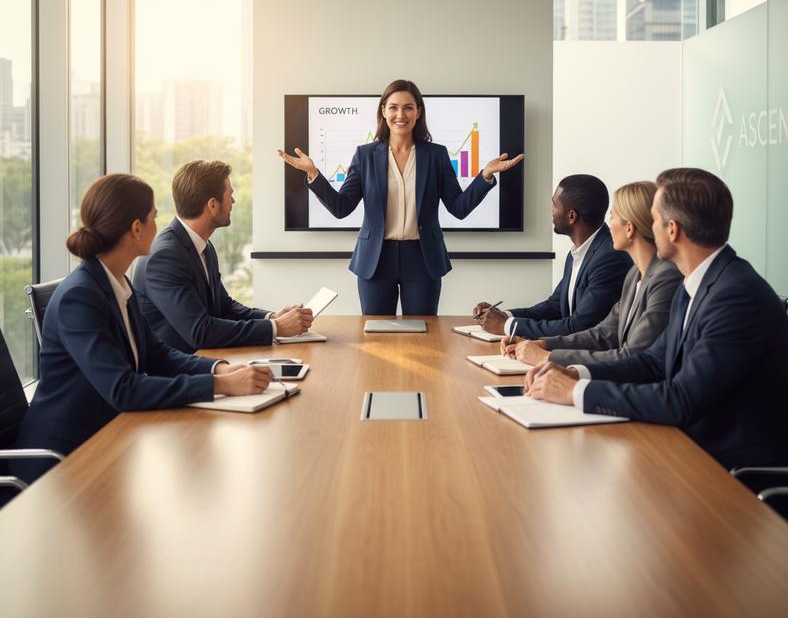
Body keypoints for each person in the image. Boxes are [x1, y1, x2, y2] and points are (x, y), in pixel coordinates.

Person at [524, 168, 788, 470]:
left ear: (672, 230)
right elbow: (653, 362)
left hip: (737, 471)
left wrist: (574, 392)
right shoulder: (696, 283)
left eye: (653, 220)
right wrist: (576, 374)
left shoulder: (735, 296)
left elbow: (681, 399)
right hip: (694, 449)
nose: (648, 229)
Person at [15, 174, 272, 483]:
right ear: (137, 228)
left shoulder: (117, 281)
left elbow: (157, 355)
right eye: (154, 216)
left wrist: (219, 369)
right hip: (64, 462)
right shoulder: (79, 297)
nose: (159, 226)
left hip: (110, 438)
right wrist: (220, 386)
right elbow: (123, 389)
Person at [278, 80, 523, 315]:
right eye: (393, 107)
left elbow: (459, 208)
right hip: (375, 259)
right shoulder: (365, 155)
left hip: (422, 259)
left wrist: (485, 175)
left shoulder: (436, 155)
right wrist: (314, 174)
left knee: (424, 334)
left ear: (418, 112)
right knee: (375, 335)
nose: (400, 115)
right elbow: (342, 208)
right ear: (383, 111)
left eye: (408, 107)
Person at [133, 160, 312, 352]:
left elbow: (224, 307)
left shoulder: (203, 246)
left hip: (206, 358)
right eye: (230, 195)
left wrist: (272, 318)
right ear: (212, 204)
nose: (233, 201)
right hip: (179, 366)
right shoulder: (164, 258)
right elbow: (201, 332)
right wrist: (277, 328)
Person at [502, 181, 681, 366]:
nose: (608, 224)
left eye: (612, 216)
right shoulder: (635, 275)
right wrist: (544, 344)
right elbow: (603, 334)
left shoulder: (665, 278)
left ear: (629, 228)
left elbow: (634, 355)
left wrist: (546, 357)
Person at [474, 174, 632, 338]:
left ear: (572, 216)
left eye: (554, 204)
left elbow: (579, 327)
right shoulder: (578, 252)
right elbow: (555, 307)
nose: (551, 210)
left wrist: (507, 326)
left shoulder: (609, 258)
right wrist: (504, 316)